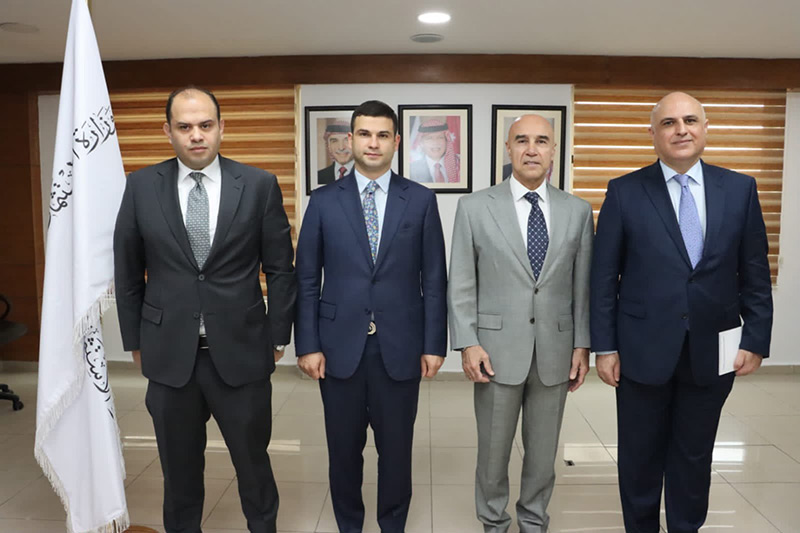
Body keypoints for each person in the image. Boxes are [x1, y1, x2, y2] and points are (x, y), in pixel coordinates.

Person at [113, 86, 296, 533]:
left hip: (241, 353)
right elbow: (127, 271)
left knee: (253, 468)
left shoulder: (258, 185)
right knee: (178, 476)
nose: (196, 135)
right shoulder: (140, 186)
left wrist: (277, 335)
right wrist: (135, 341)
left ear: (221, 128)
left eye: (205, 125)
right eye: (184, 126)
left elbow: (280, 269)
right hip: (169, 356)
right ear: (168, 131)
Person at [591, 92, 773, 533]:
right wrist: (605, 347)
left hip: (714, 348)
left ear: (706, 128)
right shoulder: (624, 191)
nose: (681, 130)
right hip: (640, 349)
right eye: (669, 123)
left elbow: (754, 271)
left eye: (690, 120)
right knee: (639, 456)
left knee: (694, 455)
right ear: (653, 134)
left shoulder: (740, 189)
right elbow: (603, 277)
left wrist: (755, 339)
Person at [294, 100, 447, 533]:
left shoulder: (420, 200)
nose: (373, 143)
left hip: (400, 347)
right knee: (343, 452)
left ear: (396, 142)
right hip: (338, 347)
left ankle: (392, 525)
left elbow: (435, 279)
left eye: (382, 135)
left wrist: (434, 344)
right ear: (351, 139)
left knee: (396, 452)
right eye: (364, 134)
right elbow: (307, 278)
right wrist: (308, 344)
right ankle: (349, 525)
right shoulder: (323, 201)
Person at [448, 114, 593, 533]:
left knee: (543, 453)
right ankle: (494, 522)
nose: (532, 149)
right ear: (508, 149)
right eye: (522, 140)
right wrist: (468, 342)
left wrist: (582, 344)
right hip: (494, 352)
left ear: (554, 152)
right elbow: (462, 282)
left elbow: (582, 286)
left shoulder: (578, 211)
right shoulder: (475, 207)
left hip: (556, 350)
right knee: (493, 452)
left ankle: (533, 520)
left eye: (542, 141)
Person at [409, 118, 460, 183]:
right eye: (429, 138)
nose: (435, 142)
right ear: (421, 143)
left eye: (440, 137)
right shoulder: (411, 170)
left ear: (446, 141)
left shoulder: (459, 165)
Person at [318, 120, 354, 185]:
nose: (341, 148)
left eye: (346, 140)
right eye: (334, 141)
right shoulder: (319, 176)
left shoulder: (367, 175)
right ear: (328, 146)